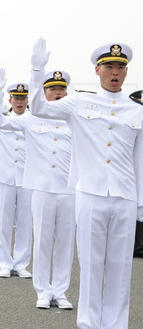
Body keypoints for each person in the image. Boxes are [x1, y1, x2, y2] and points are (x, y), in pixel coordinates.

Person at [29, 38, 143, 329]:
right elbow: (39, 108)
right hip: (90, 194)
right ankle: (90, 324)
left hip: (125, 196)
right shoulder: (80, 101)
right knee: (91, 265)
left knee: (120, 268)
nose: (115, 72)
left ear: (126, 72)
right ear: (97, 70)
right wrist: (36, 69)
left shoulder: (137, 111)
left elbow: (139, 160)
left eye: (120, 67)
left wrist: (141, 203)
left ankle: (116, 324)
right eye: (109, 67)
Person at [0, 68, 75, 307]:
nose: (58, 94)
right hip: (41, 188)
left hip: (69, 189)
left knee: (66, 243)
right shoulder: (31, 117)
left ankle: (60, 290)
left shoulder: (74, 118)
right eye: (52, 90)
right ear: (43, 93)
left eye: (61, 90)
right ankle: (42, 290)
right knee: (43, 240)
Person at [0, 74, 33, 279]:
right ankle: (5, 262)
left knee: (25, 222)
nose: (20, 102)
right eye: (16, 98)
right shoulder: (3, 120)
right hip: (5, 176)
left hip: (27, 178)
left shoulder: (33, 120)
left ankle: (22, 263)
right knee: (4, 222)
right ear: (10, 100)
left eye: (23, 98)